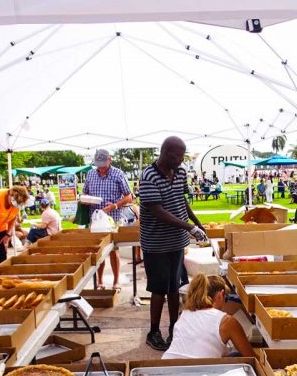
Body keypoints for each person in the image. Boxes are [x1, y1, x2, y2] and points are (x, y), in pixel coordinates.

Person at [139, 136, 207, 351]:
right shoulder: (148, 176)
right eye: (176, 155)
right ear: (165, 151)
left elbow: (181, 200)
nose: (180, 160)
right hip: (156, 242)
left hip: (176, 241)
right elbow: (157, 211)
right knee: (158, 289)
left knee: (175, 287)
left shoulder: (180, 173)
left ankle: (174, 328)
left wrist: (197, 223)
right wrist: (189, 227)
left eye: (182, 155)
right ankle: (154, 331)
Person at [163, 274, 254, 359]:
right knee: (237, 355)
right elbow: (250, 357)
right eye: (225, 299)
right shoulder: (227, 321)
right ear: (221, 295)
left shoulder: (185, 313)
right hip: (198, 372)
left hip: (167, 364)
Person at [82, 149, 133, 290]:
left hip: (113, 218)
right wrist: (86, 199)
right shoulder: (91, 174)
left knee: (113, 250)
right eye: (98, 165)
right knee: (98, 250)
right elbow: (84, 192)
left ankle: (116, 281)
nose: (101, 167)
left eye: (103, 164)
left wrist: (114, 206)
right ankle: (100, 281)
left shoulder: (118, 174)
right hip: (96, 218)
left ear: (110, 160)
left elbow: (129, 196)